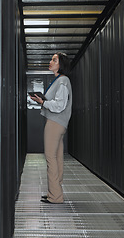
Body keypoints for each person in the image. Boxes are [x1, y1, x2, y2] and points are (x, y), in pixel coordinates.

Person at [30, 52, 72, 204]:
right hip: (59, 123)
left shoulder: (62, 81)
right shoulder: (61, 80)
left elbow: (59, 105)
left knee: (50, 157)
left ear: (61, 64)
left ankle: (55, 196)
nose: (51, 62)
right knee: (57, 157)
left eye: (54, 60)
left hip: (55, 123)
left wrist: (43, 102)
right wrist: (43, 101)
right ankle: (55, 192)